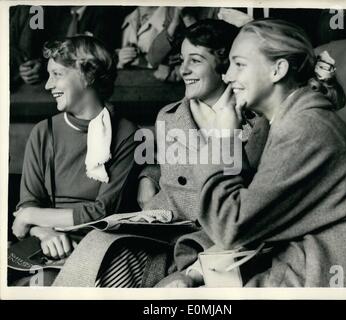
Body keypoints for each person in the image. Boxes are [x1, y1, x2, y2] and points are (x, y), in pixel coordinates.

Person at [52, 19, 269, 288]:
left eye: (196, 60)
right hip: (162, 226)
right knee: (96, 246)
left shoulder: (256, 124)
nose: (184, 68)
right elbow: (159, 163)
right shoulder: (168, 116)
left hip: (210, 239)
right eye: (182, 59)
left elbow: (252, 200)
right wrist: (148, 178)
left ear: (224, 66)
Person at [167, 19, 346, 287]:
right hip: (308, 254)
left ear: (277, 70)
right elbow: (251, 205)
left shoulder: (304, 128)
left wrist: (223, 139)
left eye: (239, 65)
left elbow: (231, 226)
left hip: (328, 263)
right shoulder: (279, 121)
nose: (227, 76)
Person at [11, 36, 139, 284]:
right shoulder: (43, 131)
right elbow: (25, 208)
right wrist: (44, 232)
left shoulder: (126, 133)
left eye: (57, 74)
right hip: (44, 243)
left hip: (102, 245)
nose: (48, 85)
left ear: (88, 75)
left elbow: (104, 212)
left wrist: (30, 217)